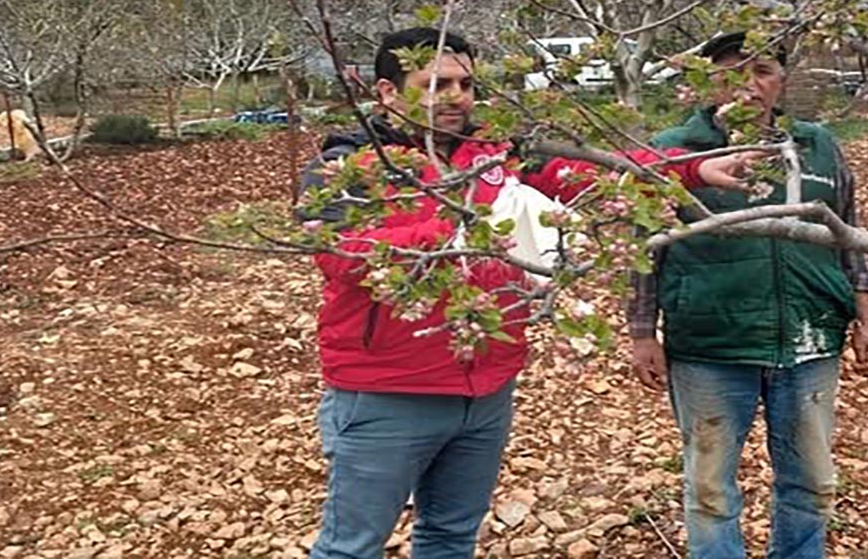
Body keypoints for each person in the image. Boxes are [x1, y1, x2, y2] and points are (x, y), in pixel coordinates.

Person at [298, 27, 761, 559]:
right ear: (386, 92)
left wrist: (694, 168)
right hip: (387, 391)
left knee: (450, 537)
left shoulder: (496, 154)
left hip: (487, 388)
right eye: (436, 84)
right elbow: (343, 255)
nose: (456, 98)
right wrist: (458, 232)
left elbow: (591, 169)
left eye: (466, 84)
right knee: (352, 547)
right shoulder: (348, 167)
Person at [626, 30, 868, 559]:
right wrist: (641, 332)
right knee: (710, 489)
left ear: (782, 80)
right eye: (730, 72)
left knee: (810, 483)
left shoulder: (816, 145)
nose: (748, 85)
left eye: (762, 70)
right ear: (703, 81)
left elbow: (848, 233)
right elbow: (644, 244)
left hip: (810, 340)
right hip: (710, 343)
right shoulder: (673, 153)